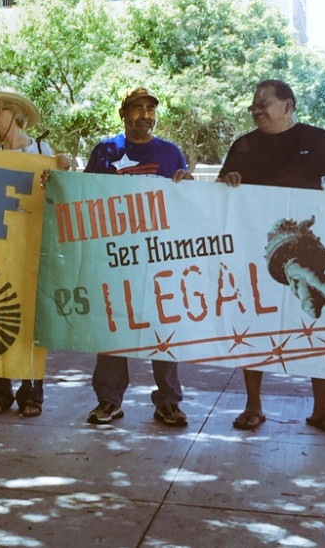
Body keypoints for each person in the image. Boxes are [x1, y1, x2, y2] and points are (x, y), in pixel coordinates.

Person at [217, 79, 325, 433]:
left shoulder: (319, 140)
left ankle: (322, 409)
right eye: (253, 106)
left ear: (288, 105)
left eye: (263, 103)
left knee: (315, 322)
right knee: (255, 324)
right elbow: (220, 194)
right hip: (255, 252)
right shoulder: (244, 146)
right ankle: (253, 406)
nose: (256, 111)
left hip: (313, 254)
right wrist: (229, 180)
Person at [83, 87, 193, 427]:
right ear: (123, 113)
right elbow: (84, 197)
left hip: (159, 257)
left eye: (150, 108)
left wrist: (186, 185)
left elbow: (184, 203)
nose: (145, 114)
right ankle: (109, 401)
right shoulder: (106, 152)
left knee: (164, 326)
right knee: (114, 325)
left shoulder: (170, 153)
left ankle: (168, 402)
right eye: (137, 108)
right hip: (116, 256)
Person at [0, 87, 54, 418]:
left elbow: (57, 190)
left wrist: (59, 170)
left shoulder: (43, 149)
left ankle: (32, 391)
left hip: (32, 245)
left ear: (15, 113)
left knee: (32, 316)